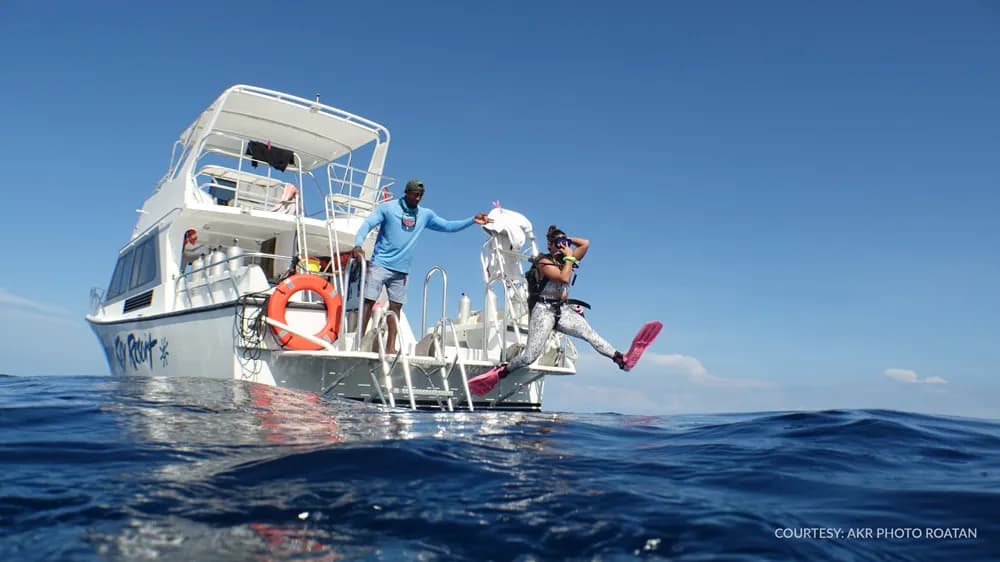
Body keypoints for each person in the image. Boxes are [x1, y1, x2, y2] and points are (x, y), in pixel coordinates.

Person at [469, 226, 634, 396]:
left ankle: (620, 359)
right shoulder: (543, 262)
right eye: (557, 243)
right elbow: (563, 277)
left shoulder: (565, 258)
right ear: (549, 245)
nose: (561, 246)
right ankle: (503, 371)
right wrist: (569, 256)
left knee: (590, 334)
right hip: (543, 311)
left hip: (561, 310)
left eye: (563, 243)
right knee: (530, 356)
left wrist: (565, 241)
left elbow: (585, 244)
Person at [352, 178, 491, 354]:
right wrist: (358, 244)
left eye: (421, 195)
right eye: (415, 194)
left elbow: (448, 226)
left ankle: (390, 348)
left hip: (401, 270)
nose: (418, 198)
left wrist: (472, 220)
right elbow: (368, 224)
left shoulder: (425, 215)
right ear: (406, 193)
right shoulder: (388, 208)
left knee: (396, 308)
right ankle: (358, 344)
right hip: (380, 264)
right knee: (368, 302)